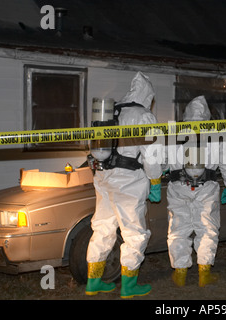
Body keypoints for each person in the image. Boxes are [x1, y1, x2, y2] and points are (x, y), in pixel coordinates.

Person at [85, 72, 162, 299]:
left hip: (103, 176)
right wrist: (155, 180)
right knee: (134, 233)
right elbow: (152, 153)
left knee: (102, 227)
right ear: (147, 95)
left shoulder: (112, 110)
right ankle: (129, 286)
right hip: (128, 181)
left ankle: (93, 282)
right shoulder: (143, 115)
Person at [166, 95, 226, 287]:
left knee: (178, 230)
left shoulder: (174, 133)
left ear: (186, 114)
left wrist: (157, 177)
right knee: (207, 229)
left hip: (178, 188)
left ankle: (180, 273)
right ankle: (204, 274)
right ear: (206, 116)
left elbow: (162, 160)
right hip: (206, 188)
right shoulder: (216, 134)